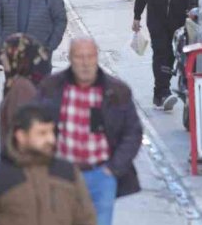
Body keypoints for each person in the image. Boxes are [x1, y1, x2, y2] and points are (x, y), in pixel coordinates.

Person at [38, 38, 143, 225]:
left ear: (97, 57)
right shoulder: (52, 88)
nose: (85, 63)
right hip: (62, 176)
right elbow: (33, 127)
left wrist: (113, 168)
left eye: (90, 56)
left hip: (101, 176)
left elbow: (133, 132)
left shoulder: (116, 91)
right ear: (69, 58)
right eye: (79, 57)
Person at [0, 104, 97, 225]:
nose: (50, 139)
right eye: (42, 133)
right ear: (21, 136)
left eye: (52, 132)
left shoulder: (67, 172)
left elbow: (86, 218)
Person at [0, 34, 49, 148]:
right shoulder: (17, 83)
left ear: (19, 58)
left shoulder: (22, 88)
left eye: (7, 53)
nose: (2, 58)